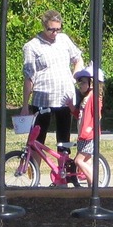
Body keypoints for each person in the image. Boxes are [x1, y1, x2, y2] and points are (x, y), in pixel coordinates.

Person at [21, 10, 83, 152]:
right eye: (51, 29)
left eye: (58, 29)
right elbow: (29, 76)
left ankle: (64, 171)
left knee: (64, 139)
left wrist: (75, 77)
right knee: (37, 138)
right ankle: (34, 169)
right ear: (44, 26)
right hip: (43, 99)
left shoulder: (64, 39)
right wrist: (25, 105)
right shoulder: (32, 46)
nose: (55, 33)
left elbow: (78, 58)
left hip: (65, 98)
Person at [70, 65, 103, 185]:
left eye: (83, 82)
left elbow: (97, 116)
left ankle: (95, 184)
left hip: (89, 135)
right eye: (80, 83)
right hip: (83, 134)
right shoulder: (86, 98)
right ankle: (91, 188)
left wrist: (90, 129)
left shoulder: (94, 97)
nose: (81, 85)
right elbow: (80, 115)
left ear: (92, 83)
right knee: (87, 162)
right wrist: (71, 107)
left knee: (79, 161)